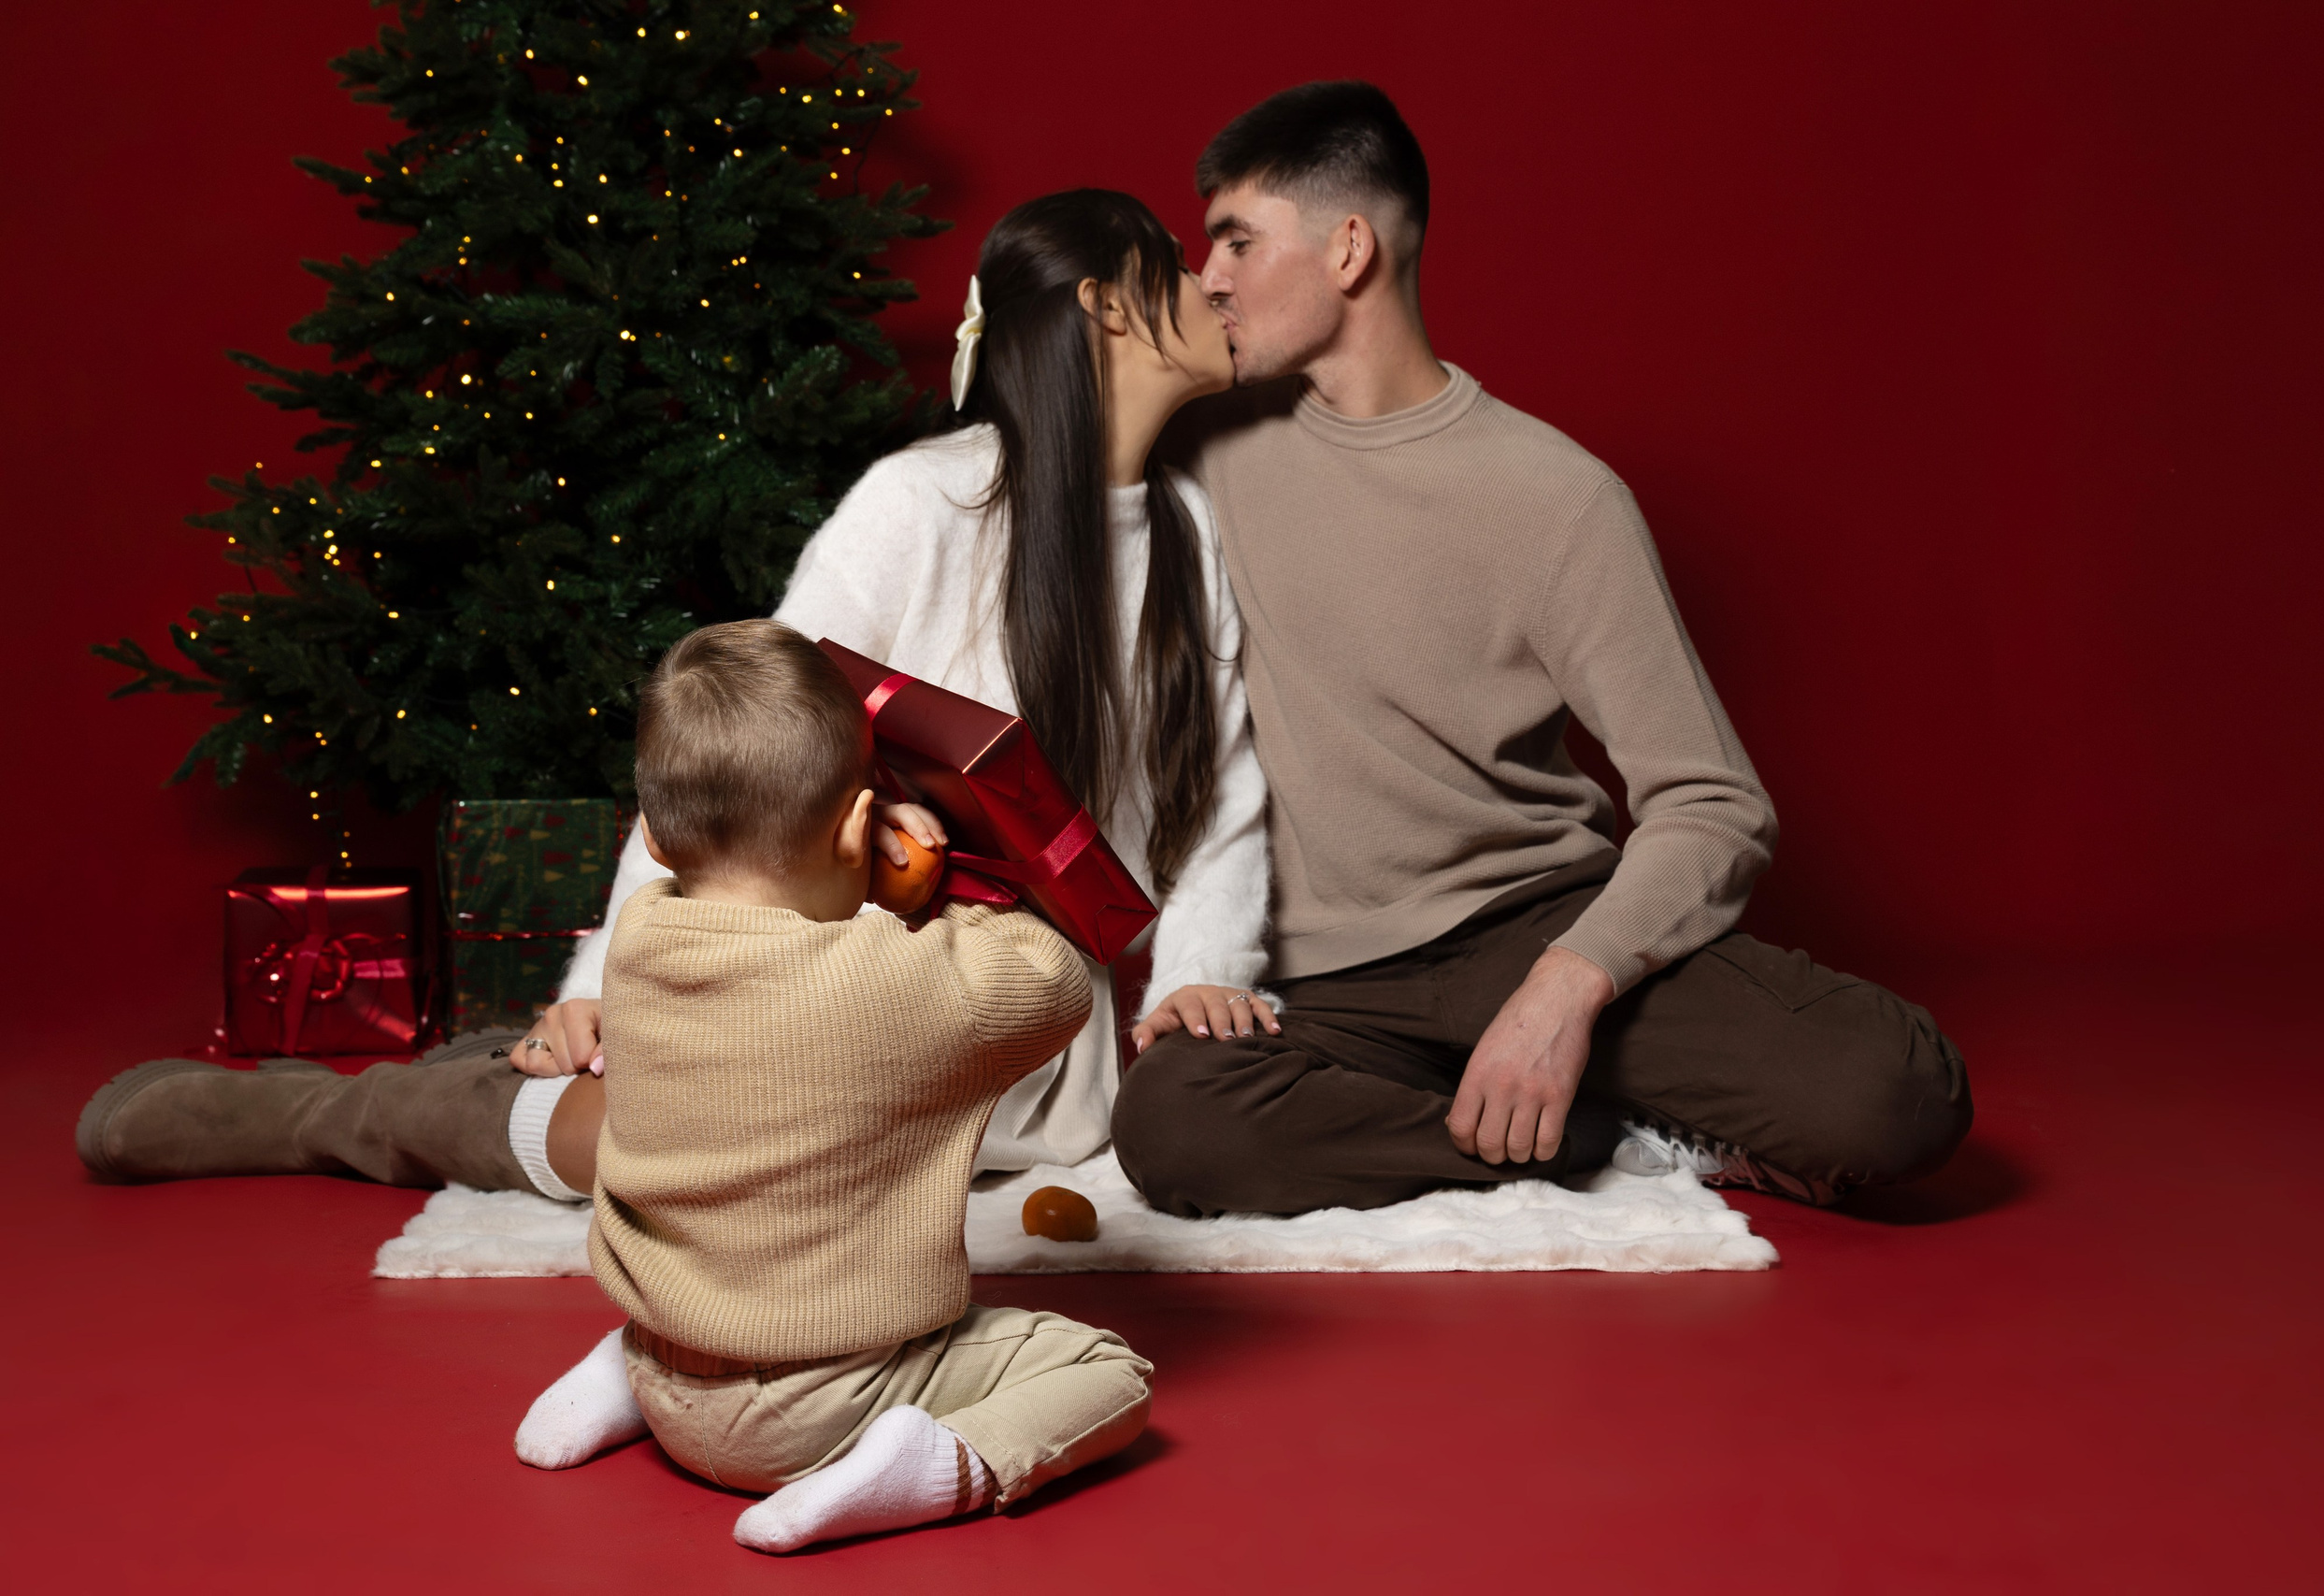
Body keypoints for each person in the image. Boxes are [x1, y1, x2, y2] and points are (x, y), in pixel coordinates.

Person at [75, 189, 1275, 1201]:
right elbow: (739, 752)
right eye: (1178, 268)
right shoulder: (924, 504)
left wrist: (1196, 976)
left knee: (849, 1165)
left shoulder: (1194, 537)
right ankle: (332, 1118)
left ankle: (465, 1079)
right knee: (713, 1155)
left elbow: (1220, 799)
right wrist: (601, 988)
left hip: (1018, 1031)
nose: (1212, 288)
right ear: (1106, 305)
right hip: (825, 984)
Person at [1109, 81, 1973, 1216]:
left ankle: (1526, 1089)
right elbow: (1029, 489)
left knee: (1893, 1094)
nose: (1207, 275)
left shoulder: (1557, 498)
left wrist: (1566, 990)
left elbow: (1711, 802)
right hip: (1317, 981)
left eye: (1235, 238)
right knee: (1174, 1127)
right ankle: (1595, 1142)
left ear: (1349, 249)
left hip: (1530, 927)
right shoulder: (1202, 454)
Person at [510, 619, 1149, 1553]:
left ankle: (629, 1374)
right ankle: (932, 1462)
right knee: (1109, 1371)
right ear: (861, 826)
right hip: (822, 1416)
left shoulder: (643, 936)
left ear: (650, 835)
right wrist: (912, 886)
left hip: (670, 1369)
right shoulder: (891, 985)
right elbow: (1054, 978)